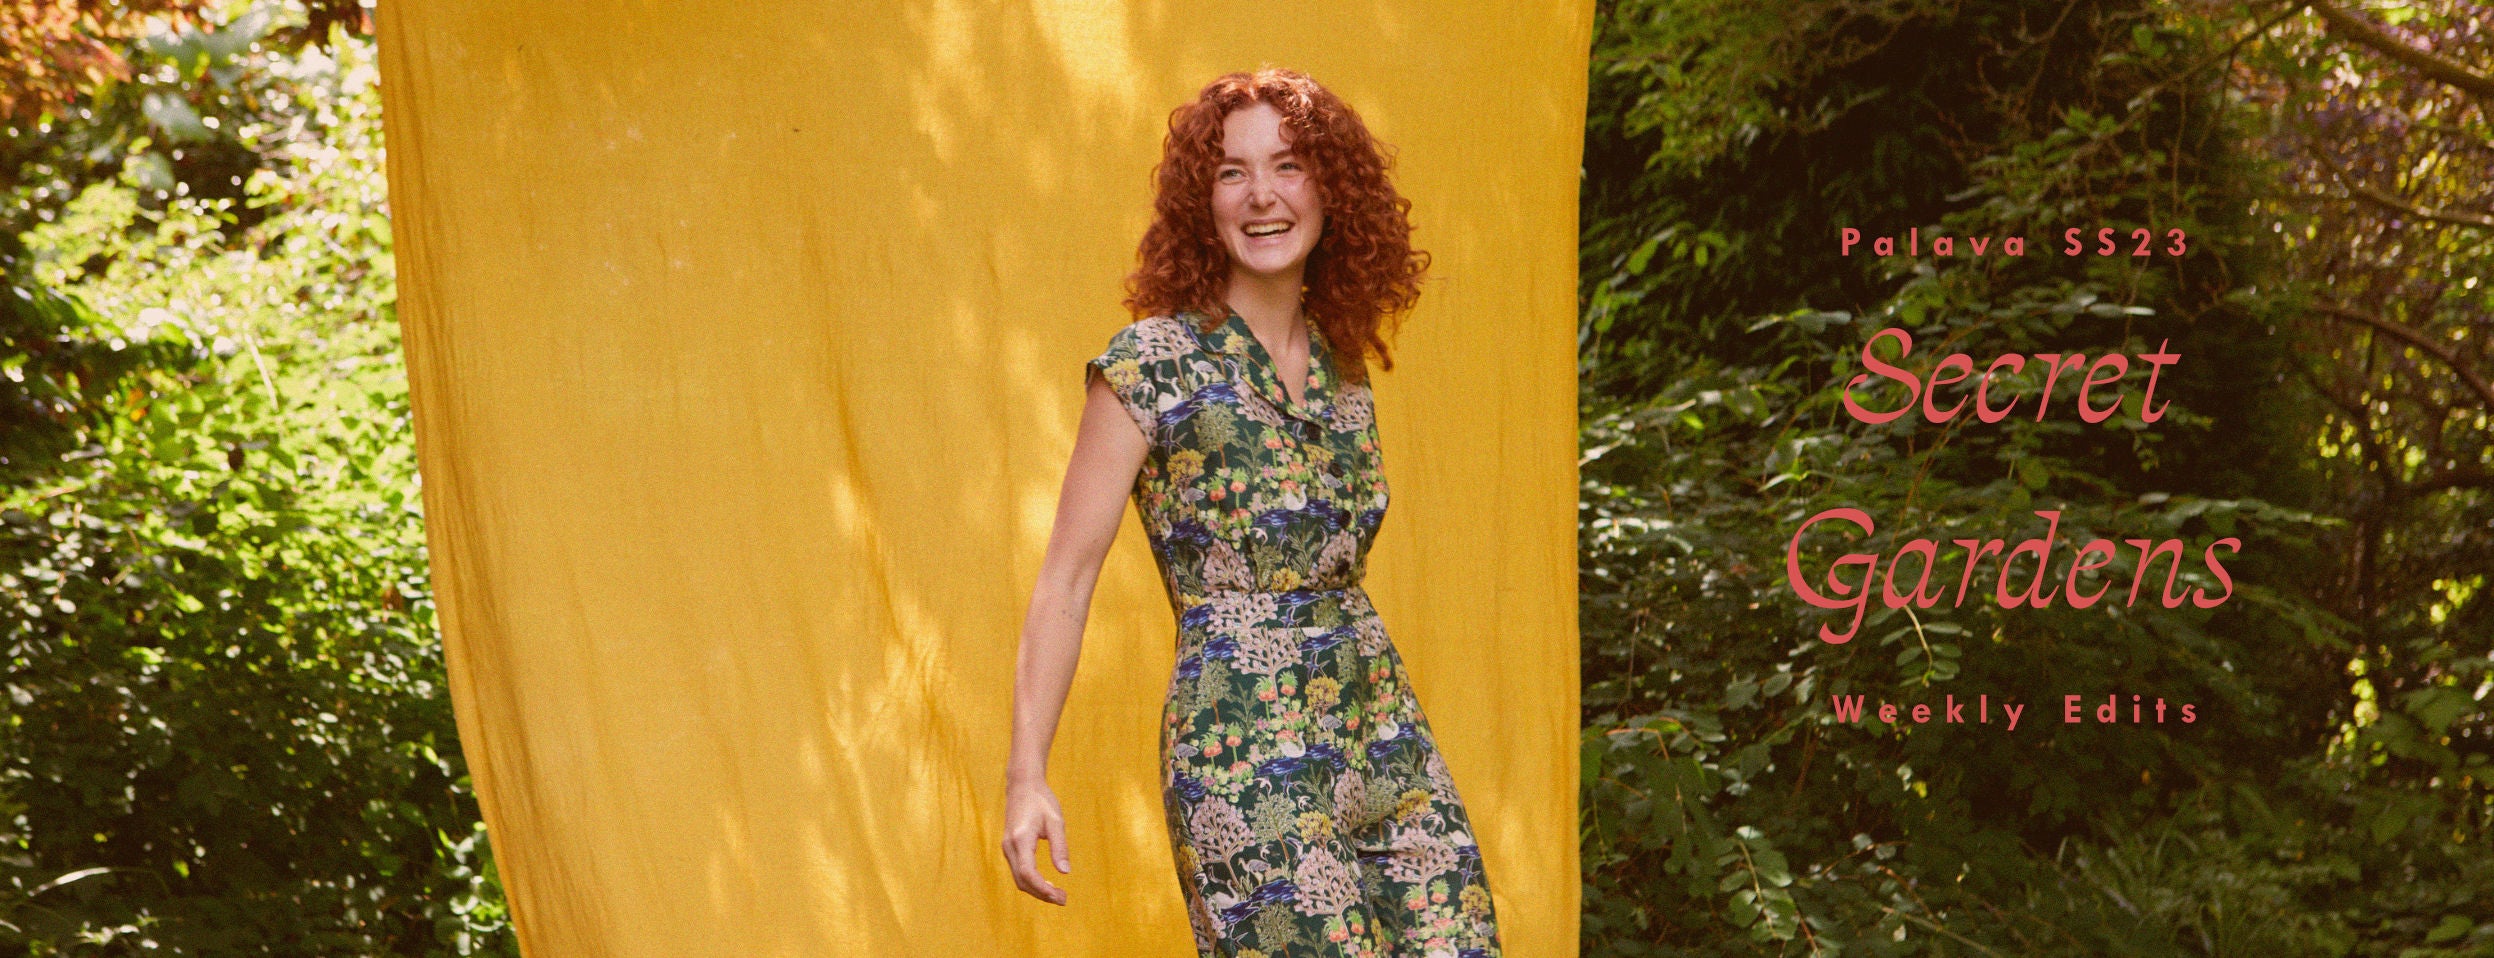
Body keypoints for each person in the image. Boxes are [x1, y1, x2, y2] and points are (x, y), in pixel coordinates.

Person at [1001, 67, 1502, 958]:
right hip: (1242, 743)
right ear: (1204, 200)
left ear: (1330, 189)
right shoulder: (1149, 363)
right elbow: (1066, 582)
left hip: (1382, 727)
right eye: (1233, 172)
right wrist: (1026, 774)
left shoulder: (1346, 368)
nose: (1262, 195)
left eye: (1288, 166)